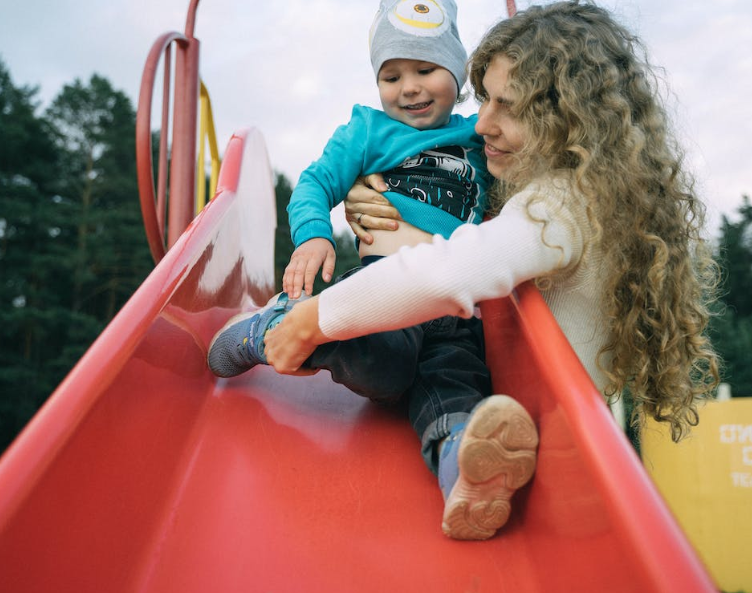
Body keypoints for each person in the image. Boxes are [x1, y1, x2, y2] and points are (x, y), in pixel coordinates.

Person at [263, 1, 721, 541]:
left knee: (422, 368)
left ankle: (283, 325)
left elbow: (455, 269)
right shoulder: (560, 190)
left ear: (567, 117)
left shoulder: (560, 206)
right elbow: (465, 220)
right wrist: (380, 199)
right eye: (484, 99)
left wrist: (316, 316)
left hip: (549, 459)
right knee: (405, 363)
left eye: (509, 106)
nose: (481, 124)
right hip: (546, 450)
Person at [208, 0, 535, 543]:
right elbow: (315, 183)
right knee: (385, 366)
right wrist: (313, 235)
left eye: (426, 70)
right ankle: (275, 326)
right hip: (388, 296)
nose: (409, 87)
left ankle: (463, 468)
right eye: (392, 75)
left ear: (456, 74)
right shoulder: (366, 130)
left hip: (457, 308)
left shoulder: (479, 141)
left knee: (457, 384)